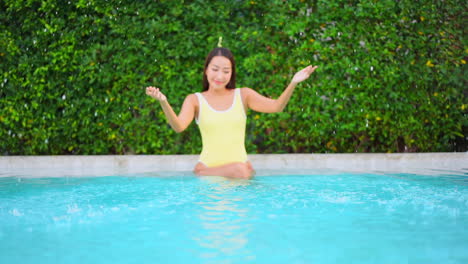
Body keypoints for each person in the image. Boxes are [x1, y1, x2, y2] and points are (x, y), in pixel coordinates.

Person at [146, 44, 317, 179]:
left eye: (226, 71)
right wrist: (163, 101)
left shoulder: (244, 95)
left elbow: (276, 107)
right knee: (240, 170)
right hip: (210, 174)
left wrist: (293, 82)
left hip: (241, 174)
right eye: (215, 70)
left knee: (242, 172)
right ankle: (216, 172)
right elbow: (179, 126)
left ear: (231, 73)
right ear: (206, 70)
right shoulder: (195, 100)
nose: (220, 76)